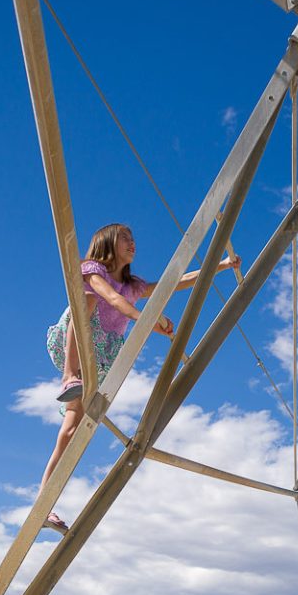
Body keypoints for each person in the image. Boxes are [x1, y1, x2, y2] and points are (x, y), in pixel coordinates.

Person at [38, 224, 237, 532]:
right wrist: (151, 320)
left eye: (133, 238)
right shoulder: (93, 270)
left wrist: (221, 266)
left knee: (69, 433)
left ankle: (43, 506)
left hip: (102, 360)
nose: (132, 243)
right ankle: (68, 375)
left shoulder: (132, 285)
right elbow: (113, 301)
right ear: (107, 242)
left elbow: (172, 284)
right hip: (76, 343)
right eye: (125, 238)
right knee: (88, 299)